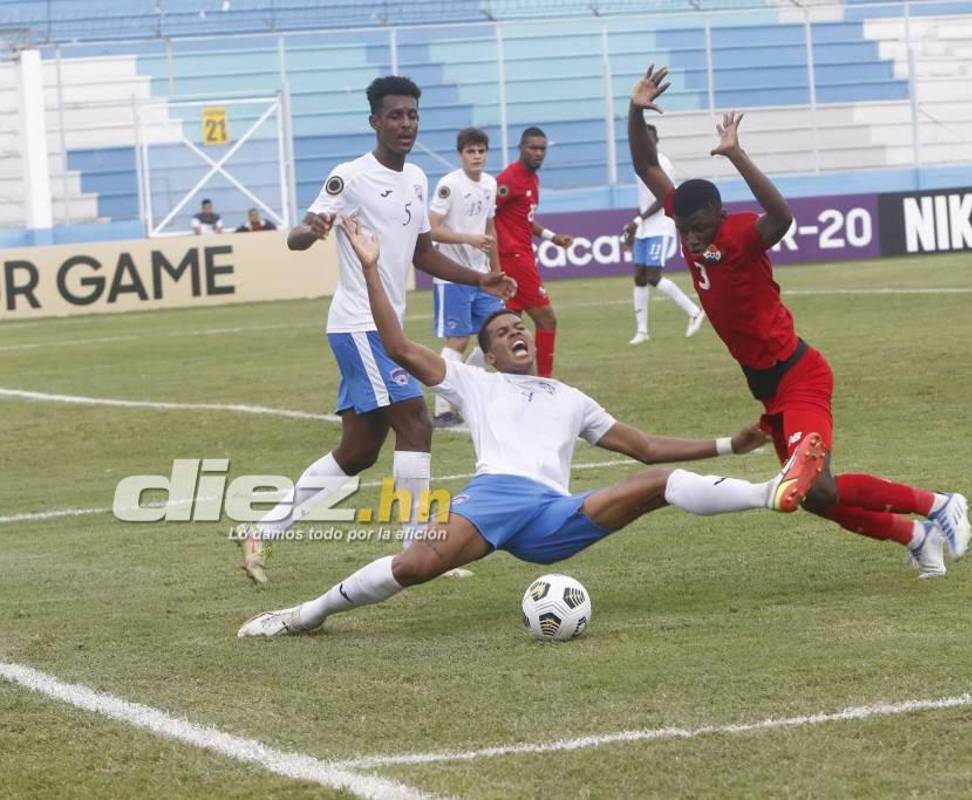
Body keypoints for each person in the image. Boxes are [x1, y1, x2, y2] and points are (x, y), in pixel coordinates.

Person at [237, 215, 836, 638]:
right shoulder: (476, 382)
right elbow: (395, 344)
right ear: (488, 354)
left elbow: (645, 447)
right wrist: (371, 268)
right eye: (501, 333)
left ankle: (772, 493)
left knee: (657, 483)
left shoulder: (570, 397)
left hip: (554, 517)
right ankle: (305, 616)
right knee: (414, 567)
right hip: (495, 498)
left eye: (519, 325)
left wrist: (734, 443)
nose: (516, 332)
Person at [627, 66, 971, 577]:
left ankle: (940, 504)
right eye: (685, 230)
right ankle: (915, 536)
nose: (692, 240)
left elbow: (783, 216)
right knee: (811, 497)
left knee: (812, 486)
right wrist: (634, 110)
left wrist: (737, 154)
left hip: (799, 375)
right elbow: (644, 163)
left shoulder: (742, 233)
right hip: (768, 388)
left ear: (719, 216)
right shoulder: (687, 217)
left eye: (699, 229)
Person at [236, 76, 515, 583]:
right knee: (417, 423)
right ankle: (418, 552)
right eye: (395, 116)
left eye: (412, 114)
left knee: (359, 450)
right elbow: (298, 235)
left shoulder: (417, 179)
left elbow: (424, 253)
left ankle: (262, 529)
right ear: (375, 122)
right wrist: (313, 229)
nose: (405, 123)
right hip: (360, 325)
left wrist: (481, 276)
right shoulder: (351, 177)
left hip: (381, 328)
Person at [428, 127, 502, 428]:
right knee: (458, 338)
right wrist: (466, 239)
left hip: (482, 275)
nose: (477, 156)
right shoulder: (449, 185)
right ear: (460, 155)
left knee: (495, 334)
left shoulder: (490, 184)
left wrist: (496, 270)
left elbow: (491, 228)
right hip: (452, 274)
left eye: (481, 151)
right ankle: (442, 408)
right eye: (470, 151)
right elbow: (431, 228)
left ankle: (465, 390)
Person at [495, 127, 575, 378]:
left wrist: (551, 237)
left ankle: (479, 378)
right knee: (547, 320)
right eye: (533, 148)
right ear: (521, 148)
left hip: (521, 257)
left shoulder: (532, 178)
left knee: (504, 330)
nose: (538, 153)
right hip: (515, 261)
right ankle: (545, 381)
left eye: (542, 149)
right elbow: (486, 214)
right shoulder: (509, 179)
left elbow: (523, 219)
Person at [621, 123, 705, 345]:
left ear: (655, 141)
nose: (644, 142)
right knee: (639, 276)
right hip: (645, 228)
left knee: (652, 276)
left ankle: (694, 311)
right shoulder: (640, 165)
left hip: (660, 227)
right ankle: (642, 331)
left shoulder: (662, 164)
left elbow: (664, 197)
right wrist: (635, 224)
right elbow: (644, 201)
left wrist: (638, 220)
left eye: (648, 138)